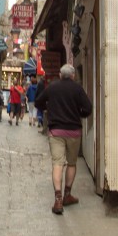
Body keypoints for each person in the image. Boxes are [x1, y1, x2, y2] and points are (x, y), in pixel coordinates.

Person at [35, 64, 92, 215]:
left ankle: (58, 199)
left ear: (60, 75)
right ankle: (67, 195)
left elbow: (38, 102)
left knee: (57, 163)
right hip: (74, 132)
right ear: (73, 76)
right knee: (71, 163)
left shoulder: (52, 87)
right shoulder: (78, 89)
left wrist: (49, 107)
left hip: (56, 131)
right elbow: (88, 108)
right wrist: (79, 113)